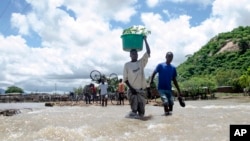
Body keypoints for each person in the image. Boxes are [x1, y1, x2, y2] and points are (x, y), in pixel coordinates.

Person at [123, 36, 151, 118]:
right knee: (134, 111)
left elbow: (148, 52)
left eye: (136, 53)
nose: (135, 55)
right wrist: (131, 89)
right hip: (132, 91)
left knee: (142, 113)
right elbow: (125, 79)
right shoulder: (127, 65)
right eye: (133, 53)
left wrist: (145, 40)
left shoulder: (141, 63)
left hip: (141, 91)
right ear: (130, 55)